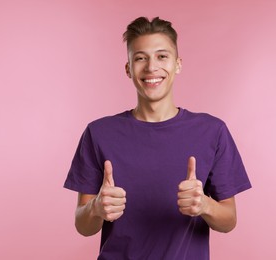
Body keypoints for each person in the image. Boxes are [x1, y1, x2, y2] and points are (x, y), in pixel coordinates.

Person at [64, 16, 252, 260]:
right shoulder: (98, 133)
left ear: (178, 64)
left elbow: (229, 220)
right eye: (140, 58)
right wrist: (96, 208)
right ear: (128, 68)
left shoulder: (212, 131)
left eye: (162, 56)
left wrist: (204, 205)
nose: (151, 67)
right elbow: (83, 225)